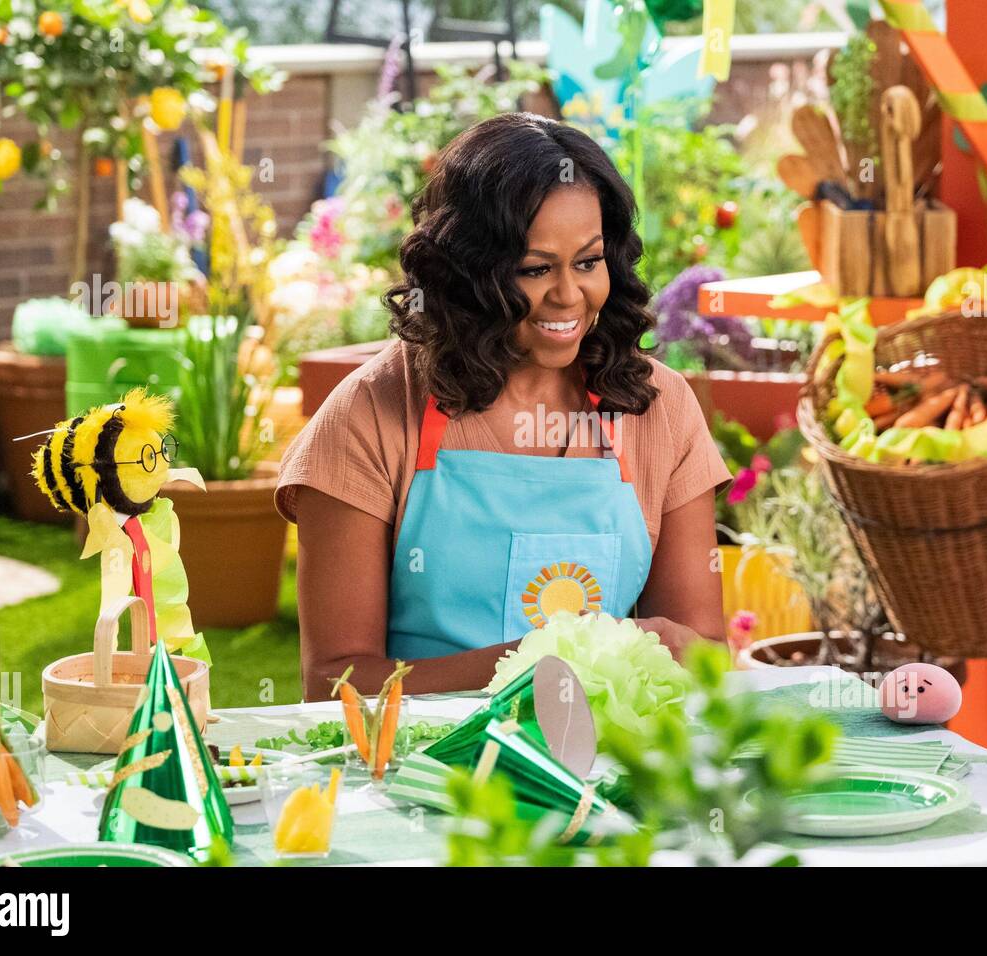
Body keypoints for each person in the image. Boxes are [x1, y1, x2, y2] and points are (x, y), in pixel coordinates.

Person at [277, 112, 731, 698]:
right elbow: (333, 680)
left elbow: (703, 655)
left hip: (603, 767)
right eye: (534, 269)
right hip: (427, 773)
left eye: (588, 263)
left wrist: (681, 652)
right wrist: (547, 661)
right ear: (467, 273)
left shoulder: (658, 407)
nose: (569, 296)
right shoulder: (371, 414)